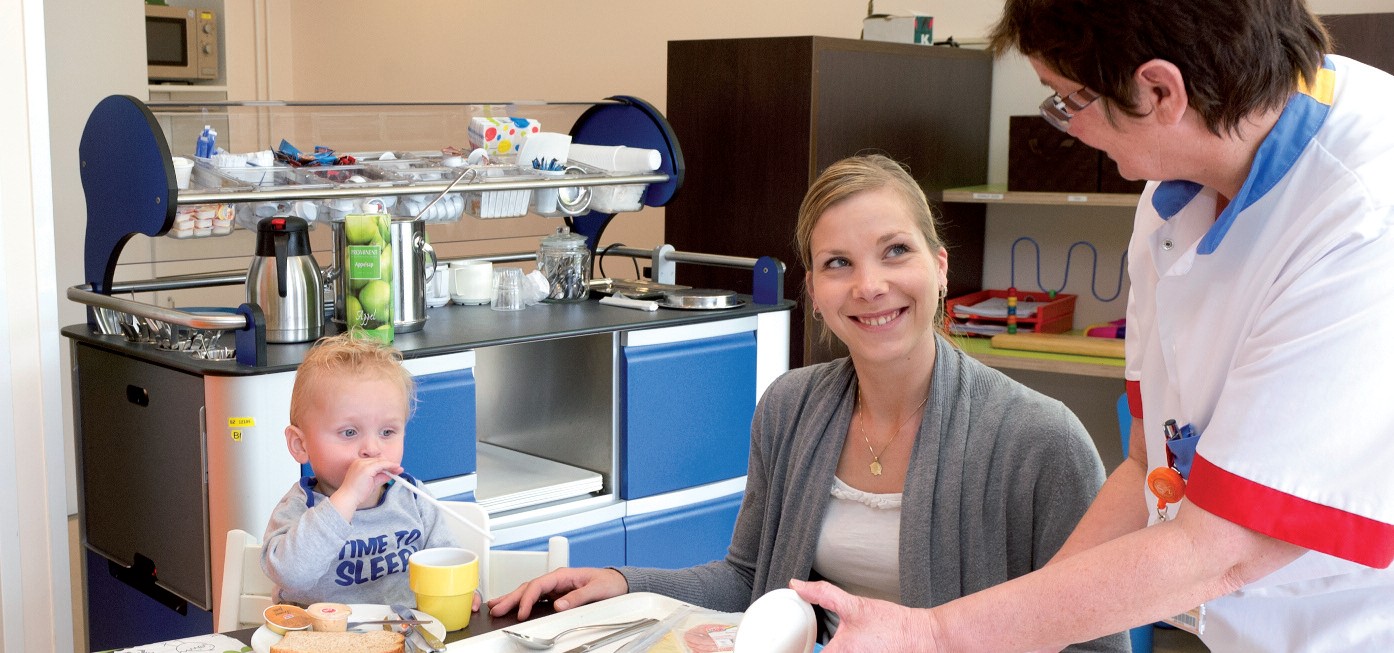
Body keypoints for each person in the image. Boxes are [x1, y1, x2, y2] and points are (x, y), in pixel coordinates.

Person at [788, 2, 1394, 651]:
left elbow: (1227, 546)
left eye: (1068, 99)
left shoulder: (1363, 216)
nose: (1067, 127)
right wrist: (1025, 636)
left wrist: (936, 633)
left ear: (1161, 91)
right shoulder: (1176, 189)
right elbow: (1147, 463)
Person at [488, 154, 1124, 651]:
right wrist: (626, 584)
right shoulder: (790, 407)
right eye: (839, 263)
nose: (870, 286)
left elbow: (1096, 644)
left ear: (941, 267)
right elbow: (748, 581)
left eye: (896, 251)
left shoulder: (1043, 440)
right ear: (814, 292)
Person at [261, 333, 464, 607]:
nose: (372, 448)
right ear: (300, 444)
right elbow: (291, 575)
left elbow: (447, 563)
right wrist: (346, 498)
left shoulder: (414, 499)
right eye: (349, 432)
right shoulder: (299, 508)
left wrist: (462, 593)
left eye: (387, 431)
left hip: (402, 637)